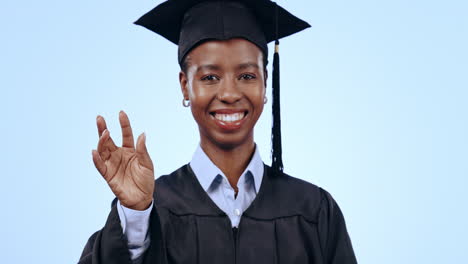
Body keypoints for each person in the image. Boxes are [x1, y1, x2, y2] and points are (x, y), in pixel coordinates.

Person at [79, 0, 358, 263]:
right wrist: (136, 215)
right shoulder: (152, 208)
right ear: (185, 86)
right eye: (209, 77)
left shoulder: (313, 210)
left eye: (247, 76)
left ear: (265, 85)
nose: (229, 93)